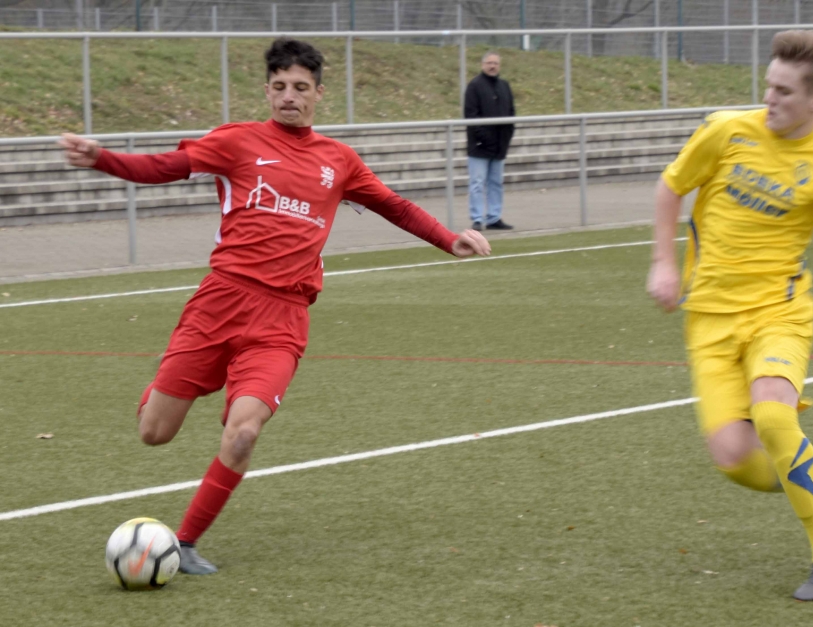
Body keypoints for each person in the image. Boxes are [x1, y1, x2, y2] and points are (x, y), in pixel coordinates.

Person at [59, 38, 491, 576]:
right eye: (281, 86)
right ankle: (168, 388)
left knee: (244, 433)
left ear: (318, 94)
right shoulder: (236, 142)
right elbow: (165, 166)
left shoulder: (339, 161)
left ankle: (185, 543)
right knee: (154, 432)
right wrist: (103, 159)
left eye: (301, 87)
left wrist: (448, 238)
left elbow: (394, 206)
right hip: (219, 303)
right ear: (267, 90)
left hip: (282, 319)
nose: (290, 96)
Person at [646, 30, 813, 601]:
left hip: (779, 314)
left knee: (773, 416)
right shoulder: (727, 131)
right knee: (735, 461)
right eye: (768, 85)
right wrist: (663, 264)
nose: (769, 98)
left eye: (784, 91)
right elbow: (671, 187)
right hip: (709, 321)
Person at [464, 51, 516, 231]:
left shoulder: (504, 86)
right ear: (483, 64)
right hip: (480, 146)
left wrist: (506, 137)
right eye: (489, 63)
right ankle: (477, 218)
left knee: (496, 183)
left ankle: (494, 217)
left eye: (495, 63)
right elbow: (471, 116)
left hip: (500, 145)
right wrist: (484, 138)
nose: (492, 66)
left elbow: (511, 113)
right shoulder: (474, 86)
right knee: (477, 183)